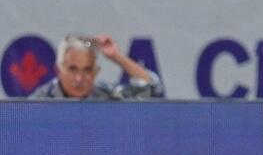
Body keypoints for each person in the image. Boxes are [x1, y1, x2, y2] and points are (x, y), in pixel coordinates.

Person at [29, 35, 164, 100]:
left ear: (96, 72)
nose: (79, 78)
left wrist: (117, 57)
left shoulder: (104, 94)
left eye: (87, 70)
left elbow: (152, 88)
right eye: (72, 69)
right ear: (58, 70)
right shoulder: (40, 101)